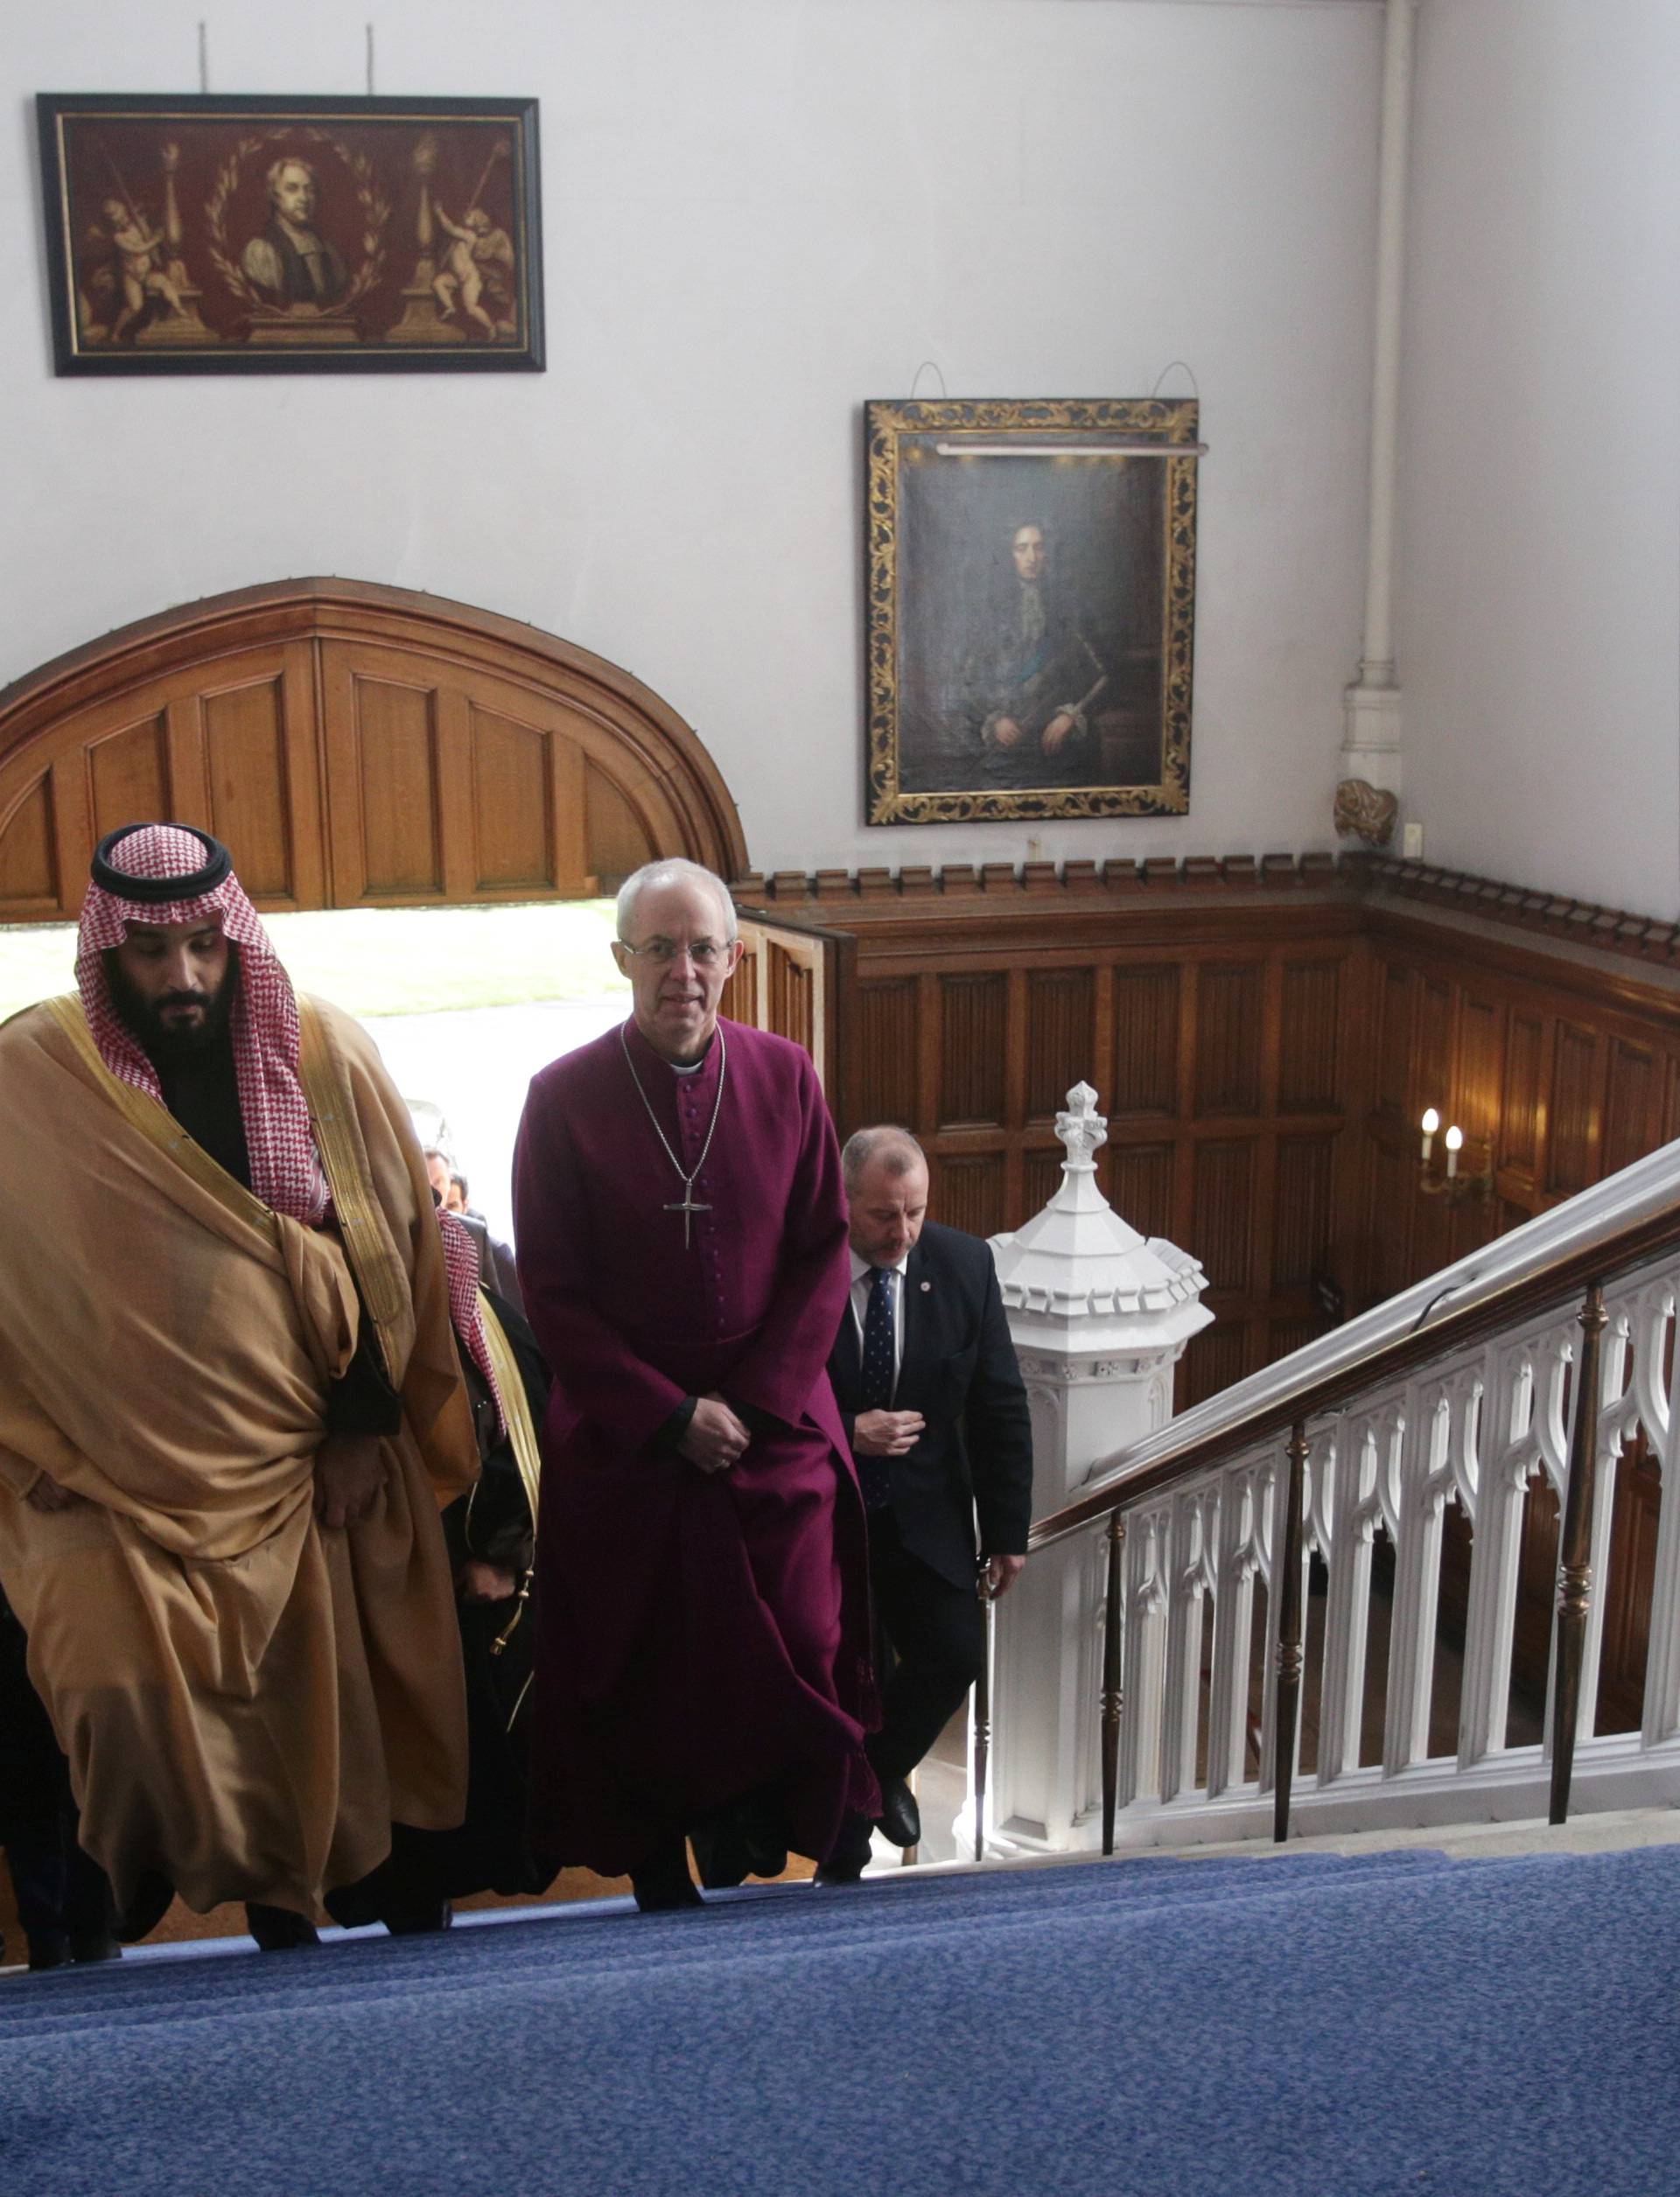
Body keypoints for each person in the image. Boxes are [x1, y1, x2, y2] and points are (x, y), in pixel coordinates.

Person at [0, 824, 479, 1949]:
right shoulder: (36, 1078)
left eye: (207, 948)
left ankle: (315, 1922)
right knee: (110, 1688)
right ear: (105, 951)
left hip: (312, 1450)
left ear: (237, 938)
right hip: (106, 1473)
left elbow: (393, 1256)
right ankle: (118, 1931)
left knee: (338, 1699)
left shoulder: (323, 1054)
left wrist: (362, 1426)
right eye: (153, 953)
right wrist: (28, 1444)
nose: (183, 977)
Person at [512, 857, 878, 1909]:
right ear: (622, 959)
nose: (684, 971)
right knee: (645, 1670)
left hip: (772, 1425)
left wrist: (754, 1406)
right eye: (661, 949)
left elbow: (823, 1250)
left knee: (807, 1635)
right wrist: (670, 1417)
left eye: (703, 948)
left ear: (736, 957)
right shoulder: (562, 1097)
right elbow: (555, 1292)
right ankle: (655, 1863)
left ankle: (810, 1830)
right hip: (632, 1438)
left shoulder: (785, 1075)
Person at [821, 1126, 1032, 1881]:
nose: (902, 1232)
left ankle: (871, 1777)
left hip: (928, 1515)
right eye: (883, 1215)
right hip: (824, 1516)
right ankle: (840, 1848)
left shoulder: (965, 1263)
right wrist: (848, 1431)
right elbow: (773, 1395)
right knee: (831, 1679)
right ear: (843, 1199)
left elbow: (999, 1402)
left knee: (955, 1652)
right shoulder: (801, 1264)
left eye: (914, 1212)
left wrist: (1009, 1531)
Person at [951, 520, 1108, 786]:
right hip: (1007, 742)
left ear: (1048, 554)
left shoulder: (1069, 606)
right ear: (1009, 554)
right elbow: (965, 682)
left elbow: (1103, 676)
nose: (1031, 557)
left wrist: (1070, 715)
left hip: (1057, 737)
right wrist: (996, 718)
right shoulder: (989, 610)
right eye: (1021, 548)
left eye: (1039, 547)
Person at [241, 157, 349, 308]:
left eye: (309, 190)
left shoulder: (329, 253)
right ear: (275, 196)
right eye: (292, 189)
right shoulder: (261, 251)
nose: (303, 198)